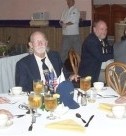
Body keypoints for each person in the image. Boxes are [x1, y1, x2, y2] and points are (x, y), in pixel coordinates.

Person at [79, 20, 113, 84]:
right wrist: (116, 54)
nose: (104, 32)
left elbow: (108, 49)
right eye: (102, 29)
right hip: (91, 74)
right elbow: (101, 57)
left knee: (114, 66)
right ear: (94, 29)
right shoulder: (91, 41)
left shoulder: (100, 38)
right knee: (116, 74)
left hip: (97, 66)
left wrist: (116, 49)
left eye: (106, 29)